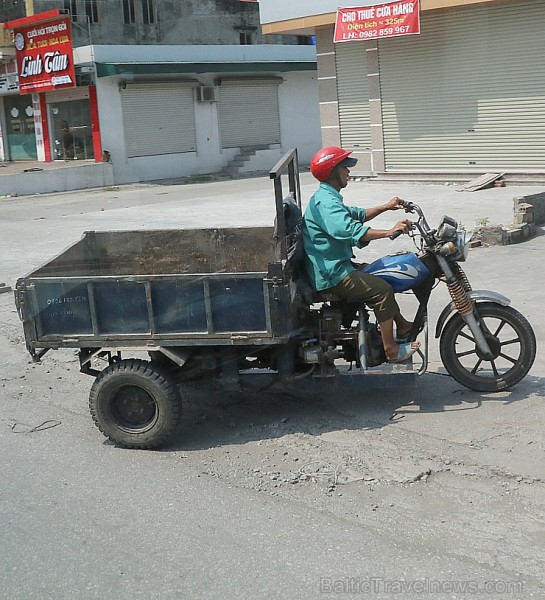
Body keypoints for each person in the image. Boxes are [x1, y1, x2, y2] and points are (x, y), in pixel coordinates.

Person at [302, 146, 420, 363]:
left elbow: (356, 214)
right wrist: (389, 232)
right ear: (332, 171)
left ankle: (402, 325)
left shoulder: (328, 197)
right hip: (332, 273)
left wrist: (386, 206)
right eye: (344, 167)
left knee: (384, 273)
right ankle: (391, 351)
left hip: (336, 265)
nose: (349, 171)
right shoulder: (326, 203)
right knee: (382, 290)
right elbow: (349, 229)